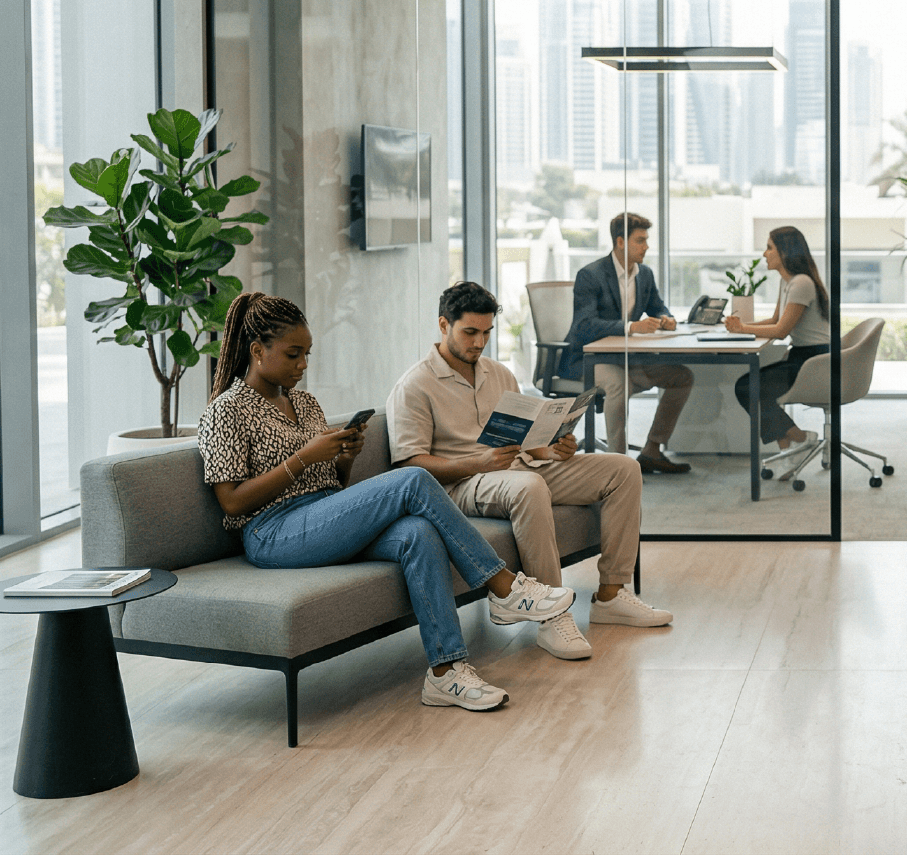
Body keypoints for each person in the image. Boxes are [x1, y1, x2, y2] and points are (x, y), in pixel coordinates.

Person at [197, 292, 576, 712]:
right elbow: (231, 503)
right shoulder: (226, 410)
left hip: (323, 512)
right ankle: (503, 587)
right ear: (256, 350)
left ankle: (446, 673)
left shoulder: (302, 402)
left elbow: (331, 483)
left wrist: (342, 457)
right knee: (413, 478)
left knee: (419, 532)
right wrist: (304, 457)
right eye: (293, 354)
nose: (303, 365)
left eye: (307, 354)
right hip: (273, 532)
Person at [390, 282, 672, 662]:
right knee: (528, 486)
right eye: (469, 332)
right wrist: (479, 462)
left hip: (518, 467)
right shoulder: (415, 385)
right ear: (444, 325)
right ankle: (551, 615)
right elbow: (409, 466)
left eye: (487, 333)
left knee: (622, 469)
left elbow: (524, 441)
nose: (479, 343)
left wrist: (554, 449)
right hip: (464, 482)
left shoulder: (499, 373)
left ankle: (611, 594)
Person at [562, 212, 693, 474]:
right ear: (621, 242)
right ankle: (619, 467)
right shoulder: (590, 275)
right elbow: (585, 326)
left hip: (626, 359)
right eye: (640, 240)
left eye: (646, 240)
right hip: (590, 360)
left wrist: (666, 318)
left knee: (682, 376)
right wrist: (631, 327)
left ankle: (652, 451)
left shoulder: (644, 274)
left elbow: (658, 307)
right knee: (619, 384)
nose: (646, 246)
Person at [724, 225, 831, 450]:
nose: (764, 254)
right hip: (802, 356)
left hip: (813, 361)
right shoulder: (788, 281)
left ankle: (800, 438)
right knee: (753, 387)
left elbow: (781, 331)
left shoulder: (801, 282)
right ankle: (788, 449)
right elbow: (774, 320)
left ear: (785, 252)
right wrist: (739, 327)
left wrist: (743, 329)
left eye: (769, 248)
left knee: (747, 388)